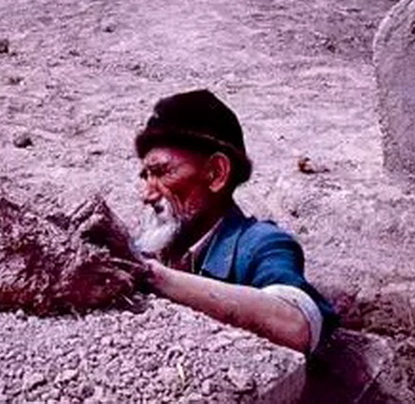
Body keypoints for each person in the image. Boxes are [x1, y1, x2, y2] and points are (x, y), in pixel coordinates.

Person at [129, 88, 337, 353]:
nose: (147, 194)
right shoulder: (159, 244)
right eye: (145, 175)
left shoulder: (261, 244)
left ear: (216, 174)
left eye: (161, 173)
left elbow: (298, 325)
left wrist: (155, 277)